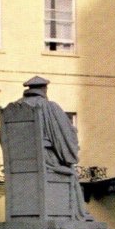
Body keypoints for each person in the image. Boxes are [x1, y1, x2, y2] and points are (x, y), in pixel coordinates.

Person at [22, 76, 93, 221]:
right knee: (72, 174)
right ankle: (78, 214)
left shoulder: (13, 108)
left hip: (24, 165)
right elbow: (64, 136)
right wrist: (70, 153)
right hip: (46, 161)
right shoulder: (48, 107)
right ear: (44, 89)